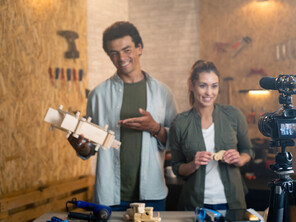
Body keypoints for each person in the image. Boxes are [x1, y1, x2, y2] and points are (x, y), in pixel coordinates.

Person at [68, 21, 177, 211]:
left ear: (139, 48)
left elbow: (177, 141)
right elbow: (91, 147)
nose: (121, 58)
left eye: (127, 50)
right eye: (114, 53)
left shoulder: (162, 93)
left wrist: (154, 127)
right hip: (110, 196)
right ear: (109, 56)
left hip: (152, 195)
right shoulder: (98, 95)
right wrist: (83, 148)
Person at [170, 60, 254, 211]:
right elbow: (177, 167)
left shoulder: (234, 115)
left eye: (214, 86)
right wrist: (192, 165)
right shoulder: (180, 123)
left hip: (232, 203)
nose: (209, 93)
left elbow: (248, 151)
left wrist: (239, 159)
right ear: (191, 85)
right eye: (203, 85)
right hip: (195, 204)